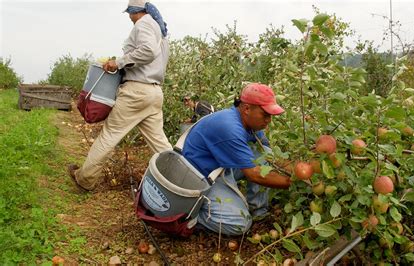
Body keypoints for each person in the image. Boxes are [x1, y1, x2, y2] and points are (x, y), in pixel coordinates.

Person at [68, 0, 172, 191]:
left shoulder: (144, 24)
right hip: (154, 92)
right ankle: (178, 181)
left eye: (130, 15)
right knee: (160, 144)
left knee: (109, 136)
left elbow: (147, 51)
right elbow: (152, 55)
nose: (130, 19)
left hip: (137, 92)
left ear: (135, 12)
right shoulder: (160, 30)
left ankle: (85, 180)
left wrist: (119, 62)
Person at [182, 83, 291, 236]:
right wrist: (292, 183)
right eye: (265, 115)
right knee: (240, 224)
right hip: (200, 179)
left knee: (264, 154)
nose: (269, 120)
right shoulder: (230, 127)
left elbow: (271, 158)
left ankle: (259, 212)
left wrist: (300, 169)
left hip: (219, 168)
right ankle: (190, 215)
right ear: (247, 109)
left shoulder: (249, 124)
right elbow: (254, 174)